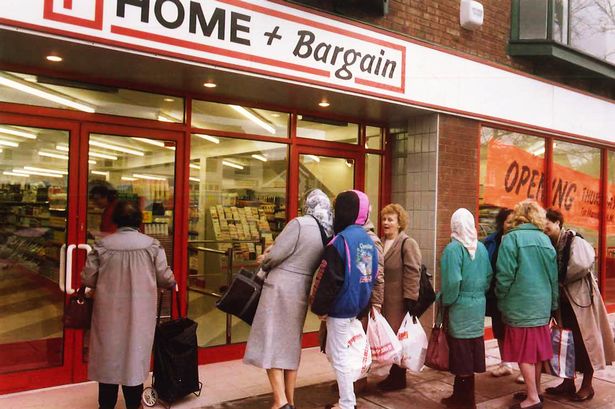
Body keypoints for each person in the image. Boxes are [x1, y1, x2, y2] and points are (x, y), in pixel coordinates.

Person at [81, 201, 176, 409]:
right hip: (140, 315)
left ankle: (106, 405)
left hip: (108, 314)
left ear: (115, 220)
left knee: (109, 357)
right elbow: (165, 278)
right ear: (139, 221)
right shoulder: (152, 245)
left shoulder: (101, 246)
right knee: (135, 355)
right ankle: (134, 404)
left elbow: (88, 278)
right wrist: (171, 280)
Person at [244, 189, 333, 409]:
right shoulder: (327, 232)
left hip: (279, 287)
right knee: (291, 345)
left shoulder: (299, 224)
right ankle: (290, 400)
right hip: (301, 289)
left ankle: (279, 401)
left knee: (271, 341)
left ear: (308, 205)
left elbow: (275, 256)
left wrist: (265, 258)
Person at [311, 190, 378, 409]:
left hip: (339, 308)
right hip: (357, 306)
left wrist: (319, 307)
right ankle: (348, 394)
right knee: (337, 351)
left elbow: (330, 278)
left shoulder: (340, 241)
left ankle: (347, 403)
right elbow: (371, 274)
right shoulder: (367, 240)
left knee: (338, 355)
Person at [543, 208, 615, 401]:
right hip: (564, 303)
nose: (545, 229)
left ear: (558, 223)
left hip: (580, 301)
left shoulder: (575, 240)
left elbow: (583, 264)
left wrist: (559, 278)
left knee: (585, 343)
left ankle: (587, 386)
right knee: (566, 343)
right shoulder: (551, 244)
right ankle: (568, 382)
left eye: (547, 225)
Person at [496, 199, 558, 409]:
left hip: (519, 304)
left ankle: (532, 398)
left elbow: (504, 275)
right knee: (537, 352)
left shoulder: (510, 239)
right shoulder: (545, 240)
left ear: (519, 216)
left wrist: (501, 298)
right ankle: (536, 391)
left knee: (523, 352)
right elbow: (553, 276)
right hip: (541, 305)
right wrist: (553, 304)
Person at [440, 208, 493, 409]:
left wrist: (447, 301)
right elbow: (488, 277)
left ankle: (465, 402)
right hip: (477, 306)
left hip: (459, 307)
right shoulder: (480, 248)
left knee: (460, 354)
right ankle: (460, 397)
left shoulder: (453, 249)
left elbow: (452, 282)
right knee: (469, 354)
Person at [376, 203, 422, 391]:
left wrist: (410, 298)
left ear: (399, 223)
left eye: (390, 219)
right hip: (383, 300)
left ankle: (398, 377)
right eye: (384, 219)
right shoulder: (379, 242)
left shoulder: (407, 243)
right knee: (388, 337)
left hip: (399, 301)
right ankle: (393, 375)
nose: (386, 223)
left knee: (399, 338)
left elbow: (413, 270)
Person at [483, 208, 515, 377]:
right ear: (501, 223)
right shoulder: (491, 241)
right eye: (508, 221)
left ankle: (525, 368)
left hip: (514, 295)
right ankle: (505, 363)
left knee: (516, 331)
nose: (510, 225)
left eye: (514, 221)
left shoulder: (518, 240)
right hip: (495, 293)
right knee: (499, 329)